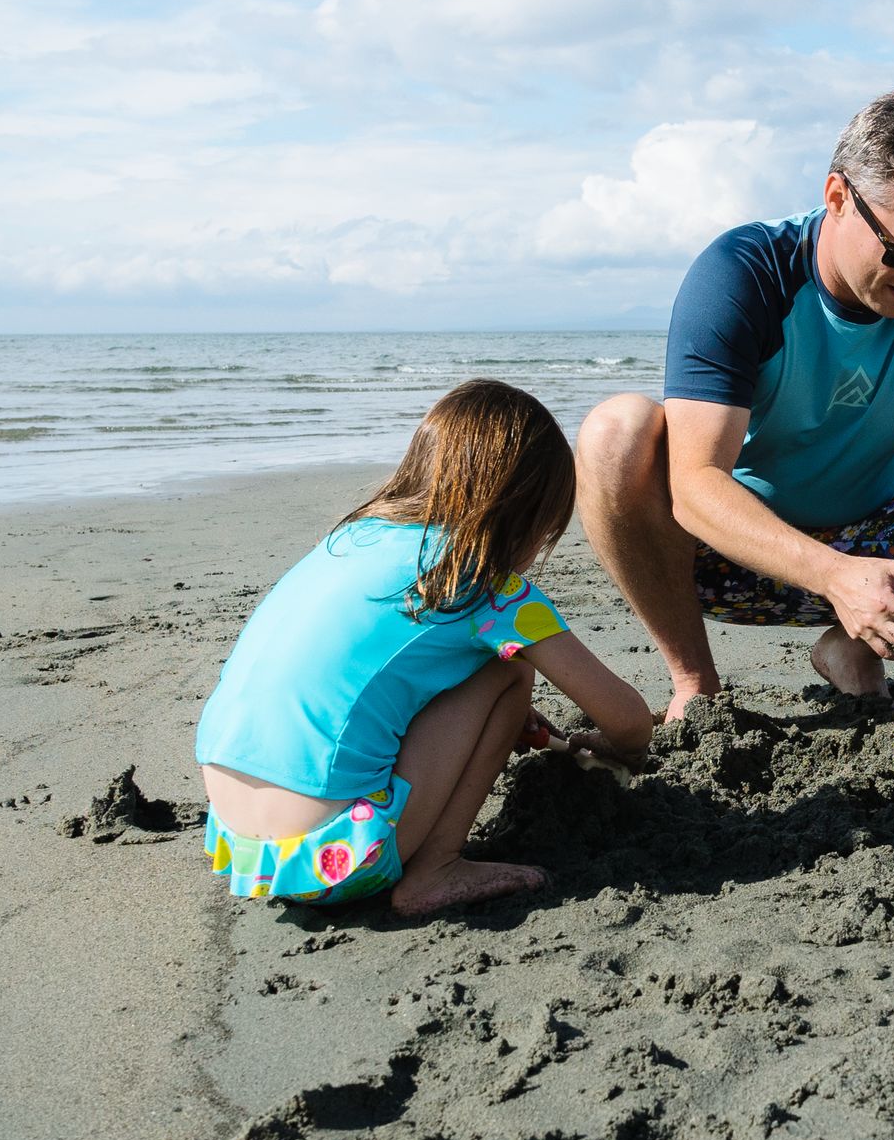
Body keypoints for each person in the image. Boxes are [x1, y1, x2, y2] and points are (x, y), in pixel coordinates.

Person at [576, 87, 894, 716]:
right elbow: (695, 484)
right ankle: (695, 683)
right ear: (837, 198)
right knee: (616, 431)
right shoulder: (745, 273)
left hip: (876, 548)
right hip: (726, 552)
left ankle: (853, 646)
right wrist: (830, 574)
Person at [196, 380, 652, 917]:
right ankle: (436, 869)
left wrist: (496, 723)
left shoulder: (351, 539)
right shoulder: (485, 583)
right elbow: (629, 721)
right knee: (508, 673)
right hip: (337, 855)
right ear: (527, 514)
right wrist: (612, 745)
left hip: (240, 846)